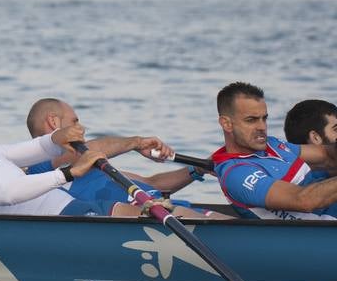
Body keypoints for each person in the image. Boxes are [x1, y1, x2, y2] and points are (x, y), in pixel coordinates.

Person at [0, 92, 152, 217]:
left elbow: (39, 148)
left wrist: (59, 136)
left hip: (75, 208)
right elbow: (5, 193)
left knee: (153, 212)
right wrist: (67, 173)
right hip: (57, 226)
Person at [23, 98, 207, 204]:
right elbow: (89, 150)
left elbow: (153, 183)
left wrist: (198, 169)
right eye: (74, 121)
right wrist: (137, 143)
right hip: (147, 216)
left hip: (164, 208)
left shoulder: (92, 168)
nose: (82, 127)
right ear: (53, 122)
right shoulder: (39, 165)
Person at [212, 83, 337, 220]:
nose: (262, 127)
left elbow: (327, 155)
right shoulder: (236, 174)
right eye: (251, 120)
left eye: (264, 118)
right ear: (226, 124)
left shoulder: (272, 144)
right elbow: (304, 200)